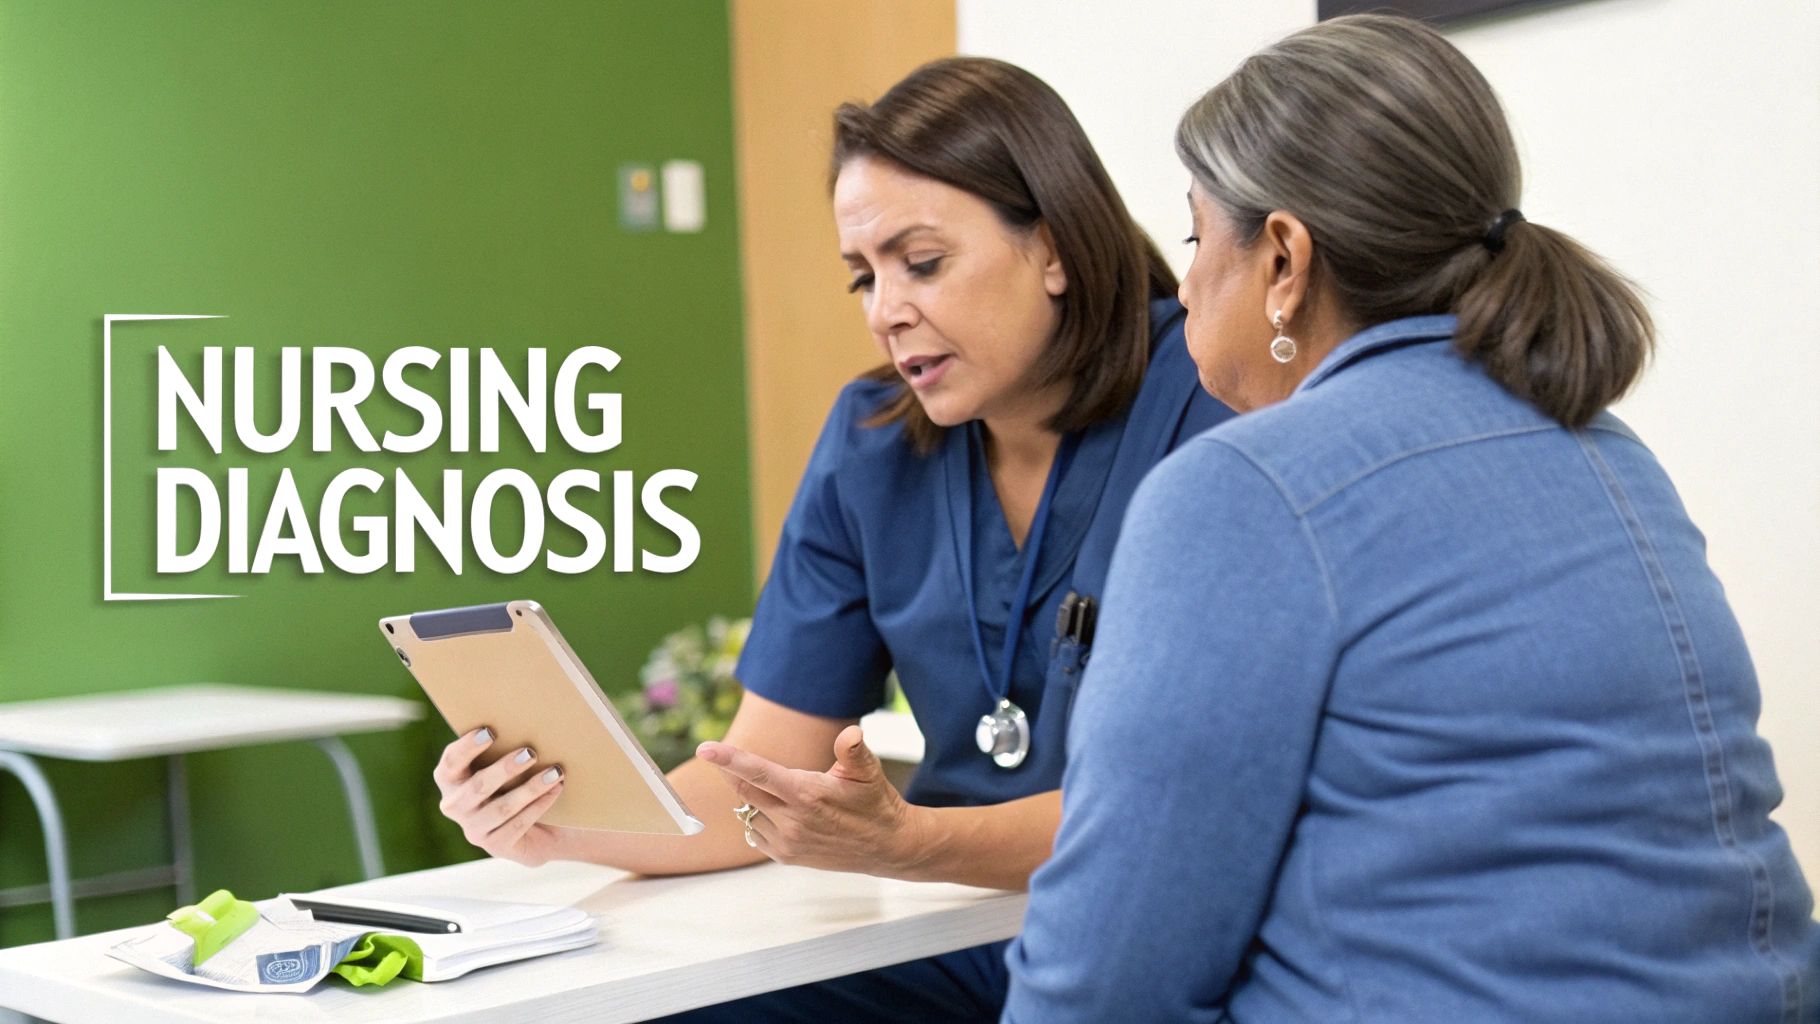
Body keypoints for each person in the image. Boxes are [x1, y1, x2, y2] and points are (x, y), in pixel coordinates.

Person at [1005, 14, 1820, 1023]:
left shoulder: (1241, 487)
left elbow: (1101, 979)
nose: (1183, 282)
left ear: (1283, 262)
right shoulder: (1605, 449)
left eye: (1193, 234)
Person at [432, 56, 1233, 1020]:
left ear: (1054, 248)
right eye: (864, 276)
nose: (887, 311)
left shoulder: (1212, 402)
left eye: (923, 263)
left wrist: (910, 843)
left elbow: (1183, 811)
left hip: (1158, 939)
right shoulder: (873, 445)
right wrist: (562, 828)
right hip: (962, 932)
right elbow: (759, 774)